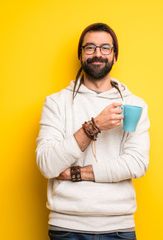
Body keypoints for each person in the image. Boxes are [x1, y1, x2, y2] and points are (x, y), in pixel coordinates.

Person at [36, 23, 150, 240]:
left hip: (119, 228)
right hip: (67, 227)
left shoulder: (134, 105)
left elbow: (137, 163)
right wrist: (93, 127)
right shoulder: (56, 103)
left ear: (115, 56)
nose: (97, 54)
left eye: (105, 48)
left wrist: (75, 173)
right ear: (81, 54)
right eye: (90, 48)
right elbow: (47, 164)